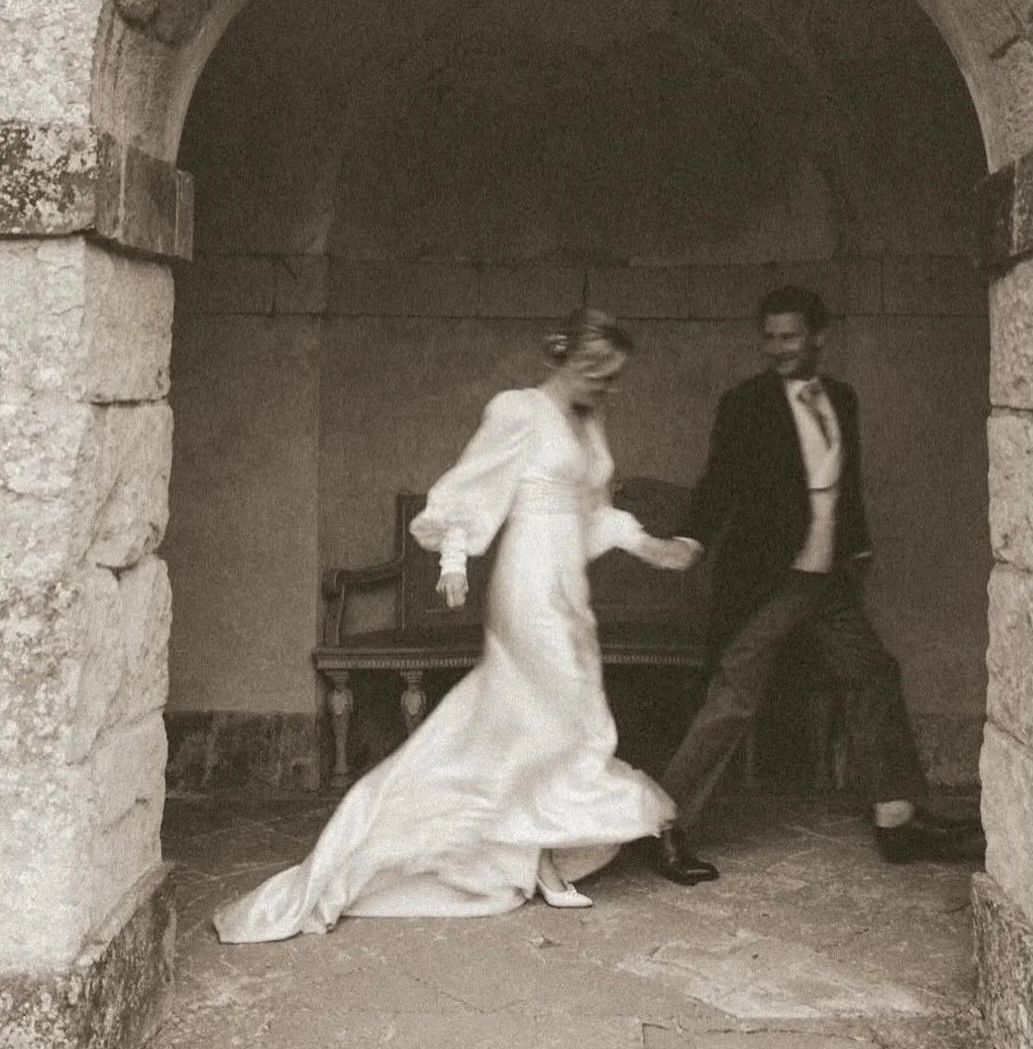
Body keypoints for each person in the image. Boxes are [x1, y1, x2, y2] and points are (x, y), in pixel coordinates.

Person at [213, 307, 694, 942]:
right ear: (566, 357)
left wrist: (650, 546)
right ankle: (539, 861)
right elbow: (469, 486)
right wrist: (454, 559)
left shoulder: (588, 424)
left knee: (551, 721)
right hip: (525, 585)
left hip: (567, 586)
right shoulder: (518, 410)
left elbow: (594, 513)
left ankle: (537, 851)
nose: (602, 389)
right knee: (556, 717)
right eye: (595, 374)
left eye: (611, 380)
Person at [640, 285, 983, 886]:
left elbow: (845, 486)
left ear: (819, 337)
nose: (777, 348)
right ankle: (661, 828)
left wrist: (857, 545)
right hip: (769, 578)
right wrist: (691, 541)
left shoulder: (842, 399)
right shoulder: (744, 404)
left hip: (827, 581)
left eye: (789, 336)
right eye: (768, 337)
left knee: (874, 671)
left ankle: (897, 820)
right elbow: (719, 481)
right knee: (733, 698)